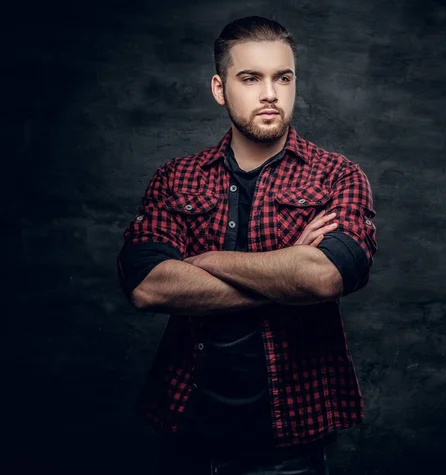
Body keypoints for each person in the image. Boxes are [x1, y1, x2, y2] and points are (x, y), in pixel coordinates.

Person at [117, 15, 378, 475]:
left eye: (283, 77)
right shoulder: (176, 178)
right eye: (250, 78)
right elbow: (147, 286)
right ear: (220, 89)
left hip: (290, 442)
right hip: (186, 431)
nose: (270, 94)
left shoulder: (337, 176)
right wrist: (284, 271)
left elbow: (325, 276)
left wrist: (207, 261)